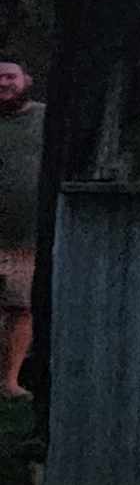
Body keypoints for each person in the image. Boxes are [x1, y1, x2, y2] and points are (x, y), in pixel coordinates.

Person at [0, 59, 39, 398]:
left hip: (27, 237)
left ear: (26, 79)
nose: (3, 83)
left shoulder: (47, 118)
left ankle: (10, 381)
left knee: (21, 308)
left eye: (10, 76)